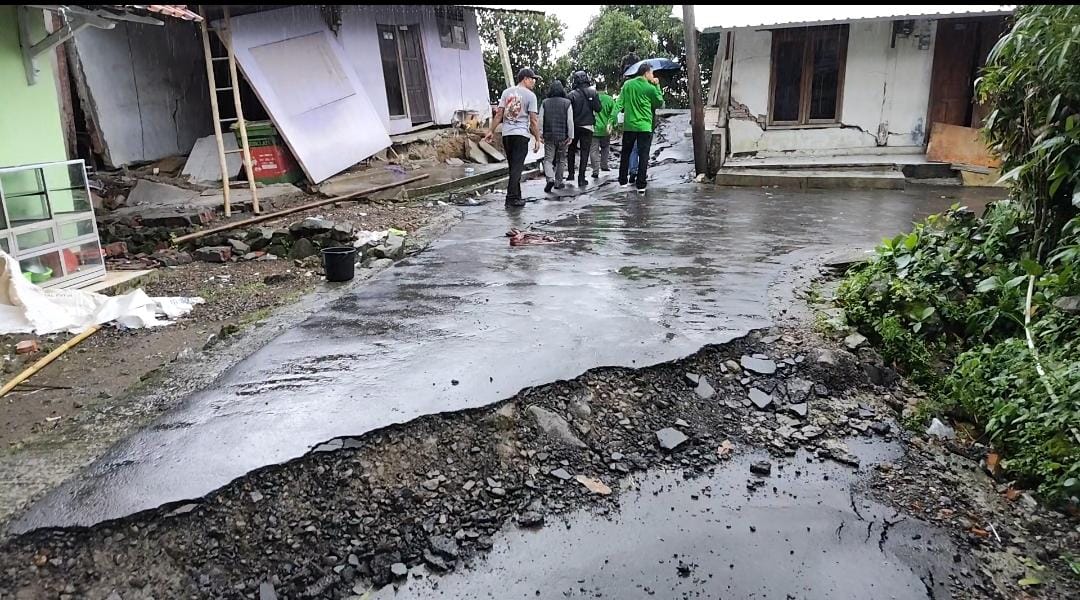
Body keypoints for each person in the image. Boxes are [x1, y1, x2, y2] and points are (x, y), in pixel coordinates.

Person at [485, 68, 541, 208]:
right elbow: (533, 120)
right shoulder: (530, 96)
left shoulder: (506, 92)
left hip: (507, 135)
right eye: (532, 79)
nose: (533, 82)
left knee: (513, 167)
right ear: (525, 79)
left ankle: (517, 196)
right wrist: (538, 138)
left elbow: (499, 115)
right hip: (520, 135)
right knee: (517, 168)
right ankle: (510, 199)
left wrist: (491, 131)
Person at [617, 63, 664, 192]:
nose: (653, 76)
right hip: (644, 126)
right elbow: (659, 102)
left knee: (626, 152)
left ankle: (622, 180)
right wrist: (657, 85)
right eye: (652, 73)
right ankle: (641, 185)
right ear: (646, 73)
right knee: (644, 155)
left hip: (629, 125)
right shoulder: (650, 88)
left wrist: (612, 120)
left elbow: (619, 103)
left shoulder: (627, 85)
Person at [565, 70, 602, 186]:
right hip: (588, 126)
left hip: (574, 126)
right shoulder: (593, 92)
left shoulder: (571, 95)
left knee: (571, 149)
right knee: (584, 152)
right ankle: (581, 178)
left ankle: (571, 174)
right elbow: (598, 108)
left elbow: (567, 112)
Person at [538, 80, 573, 193]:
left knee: (548, 159)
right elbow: (570, 121)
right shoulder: (567, 103)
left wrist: (540, 133)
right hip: (563, 136)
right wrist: (571, 136)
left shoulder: (545, 102)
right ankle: (558, 182)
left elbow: (541, 119)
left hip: (549, 136)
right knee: (561, 160)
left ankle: (550, 178)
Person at [589, 83, 617, 177]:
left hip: (594, 128)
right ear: (605, 88)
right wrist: (614, 125)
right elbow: (614, 113)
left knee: (593, 150)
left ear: (596, 89)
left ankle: (595, 171)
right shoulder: (609, 99)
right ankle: (604, 165)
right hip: (606, 128)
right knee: (605, 148)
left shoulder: (592, 98)